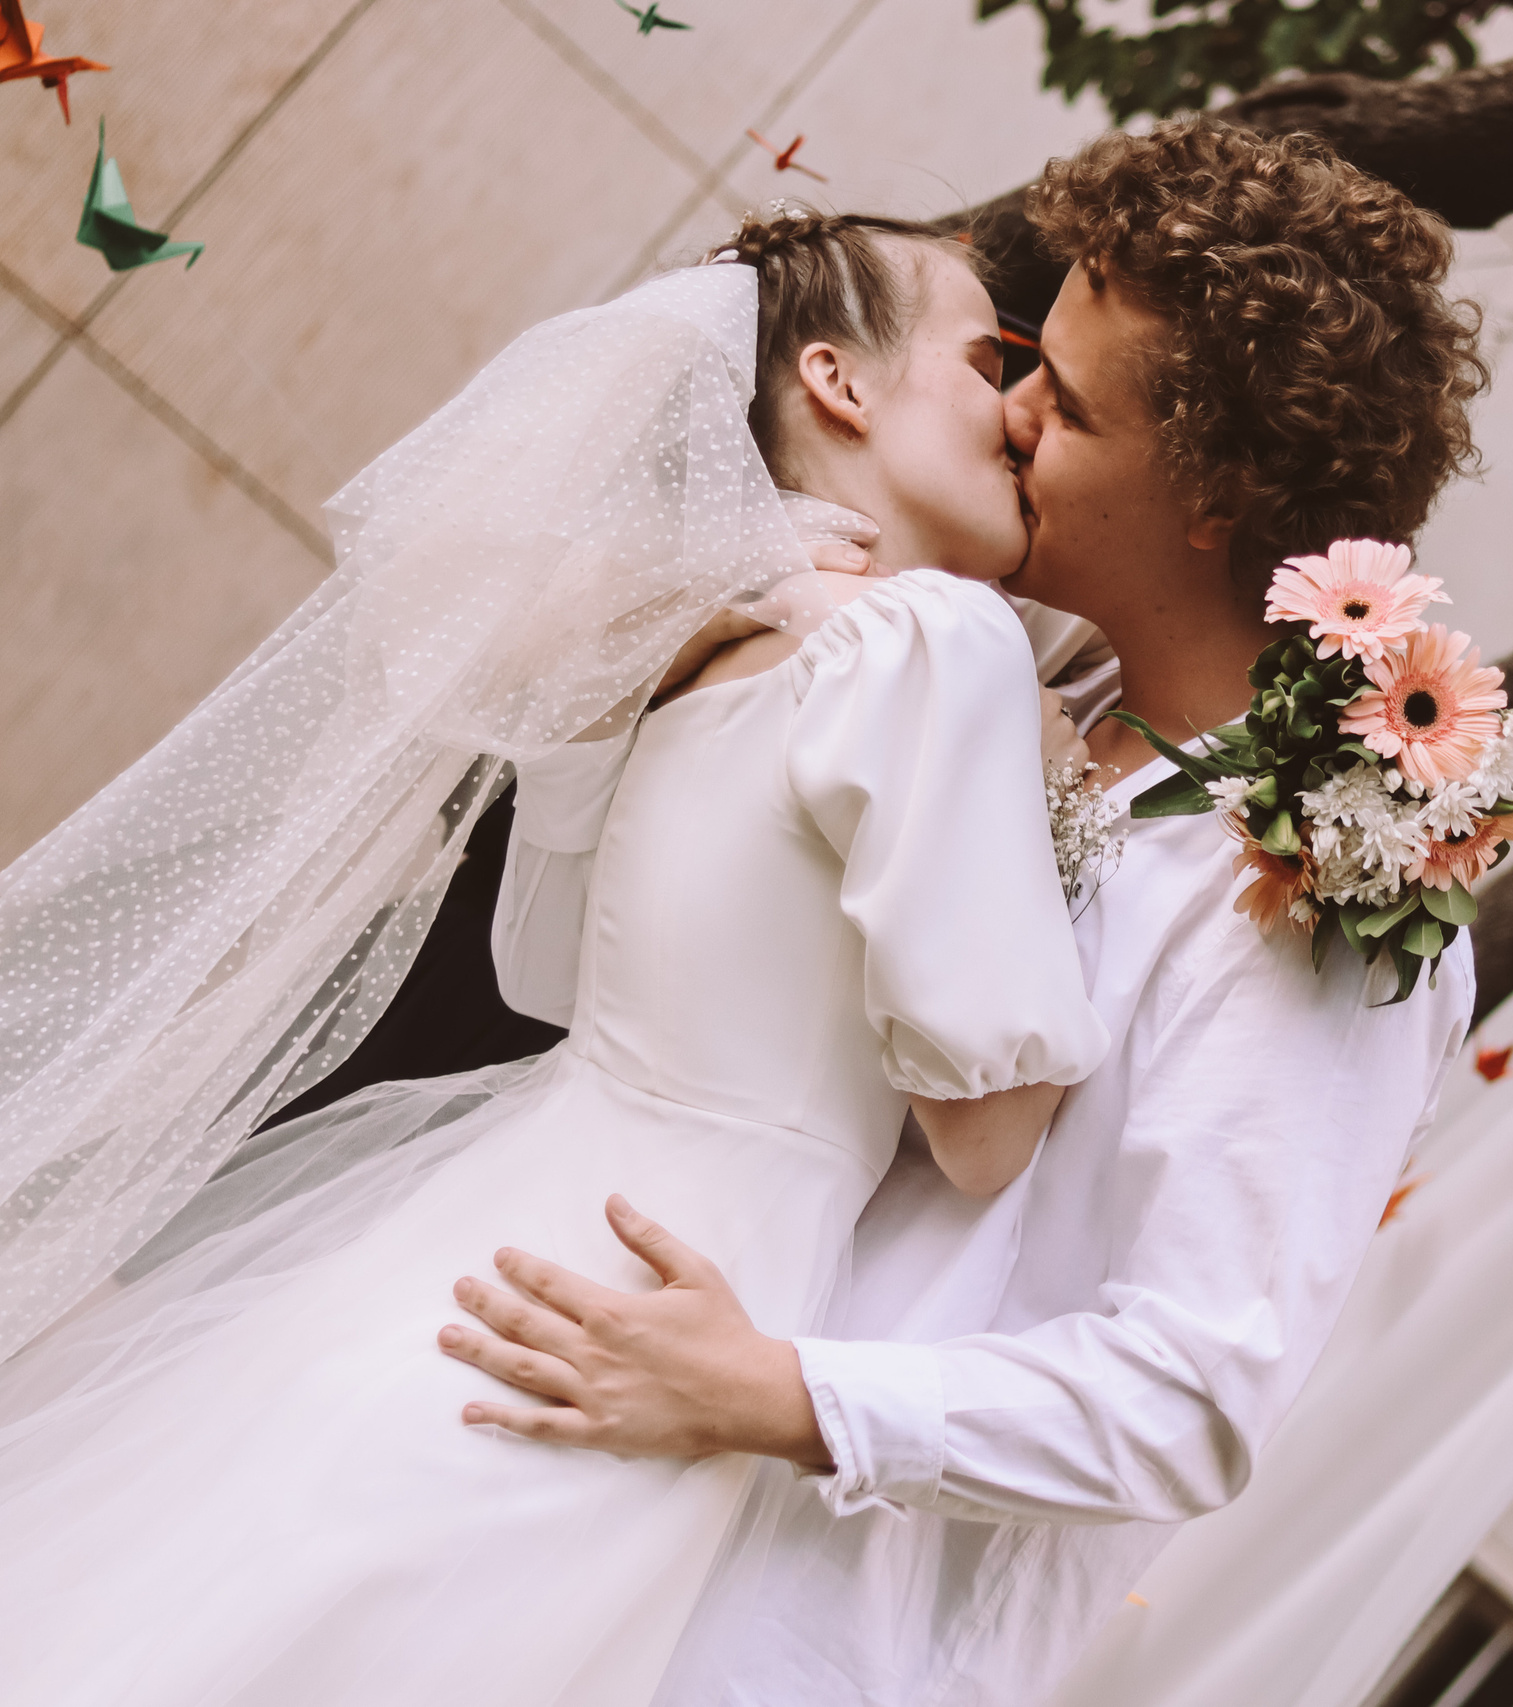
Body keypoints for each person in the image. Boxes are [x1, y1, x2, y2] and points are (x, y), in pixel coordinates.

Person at [440, 118, 1493, 1705]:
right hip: (581, 1492)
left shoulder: (1328, 881)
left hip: (804, 1631)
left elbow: (1196, 1392)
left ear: (1213, 492)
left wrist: (775, 1395)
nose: (1005, 415)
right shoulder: (1010, 679)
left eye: (1062, 403)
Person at [0, 212, 1115, 1704]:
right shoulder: (937, 648)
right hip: (617, 1337)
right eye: (993, 362)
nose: (1023, 412)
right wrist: (1067, 811)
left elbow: (545, 971)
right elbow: (983, 1139)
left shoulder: (707, 651)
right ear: (840, 383)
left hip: (466, 1263)